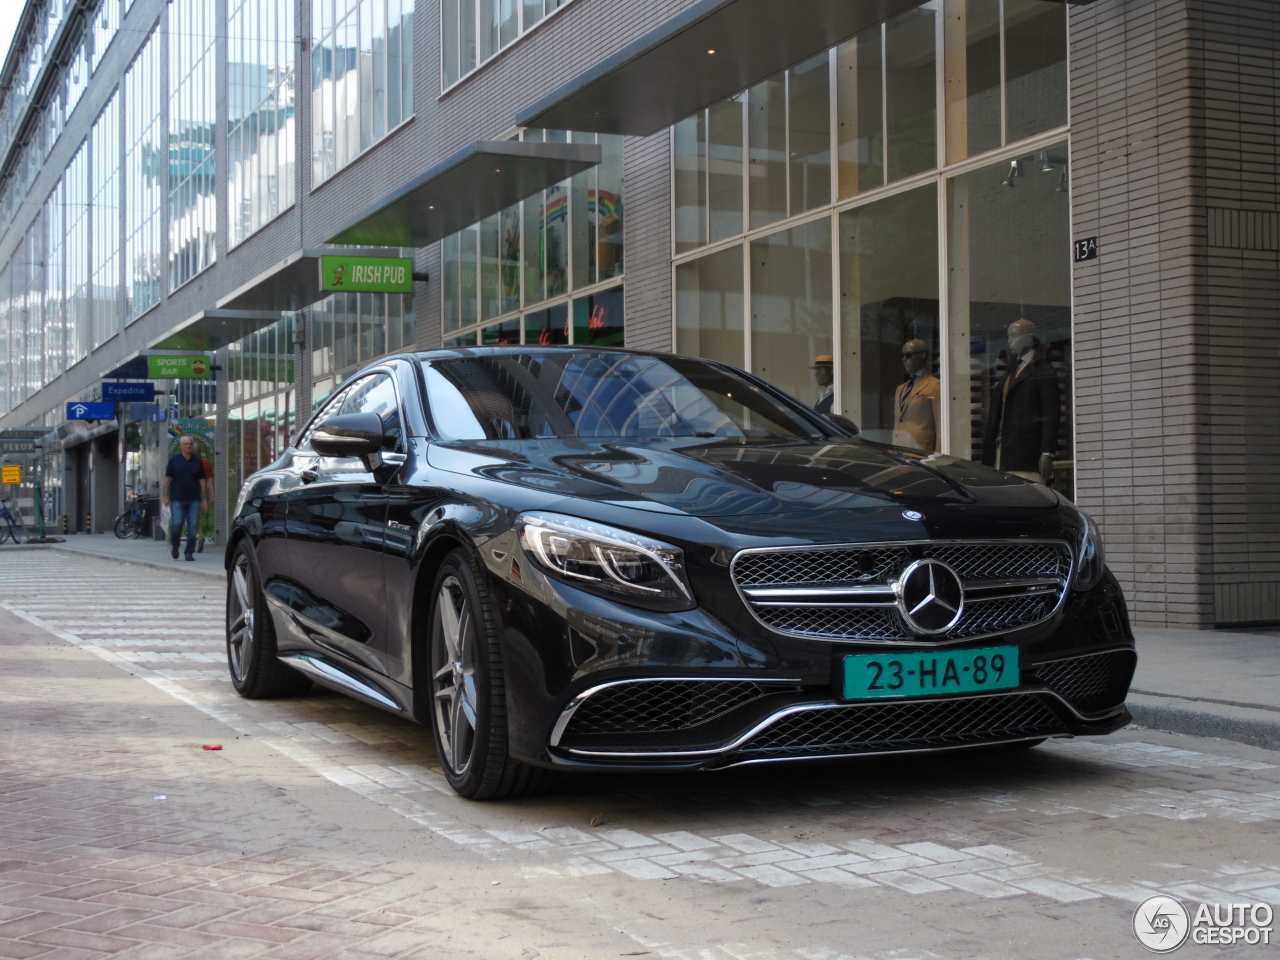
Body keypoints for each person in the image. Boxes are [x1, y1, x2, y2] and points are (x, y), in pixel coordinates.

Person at [982, 318, 1061, 485]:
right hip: (1001, 454)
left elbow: (1050, 414)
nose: (1009, 341)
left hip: (1025, 455)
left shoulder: (1043, 371)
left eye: (1014, 336)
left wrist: (1047, 452)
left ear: (1029, 337)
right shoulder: (1010, 371)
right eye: (1008, 337)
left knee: (1025, 498)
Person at [163, 435, 208, 561]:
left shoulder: (198, 462)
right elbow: (168, 479)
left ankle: (189, 552)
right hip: (177, 498)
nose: (188, 446)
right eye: (186, 444)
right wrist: (165, 496)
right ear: (181, 446)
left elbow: (202, 481)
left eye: (190, 444)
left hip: (194, 499)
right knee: (177, 524)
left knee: (193, 526)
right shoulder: (174, 461)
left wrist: (204, 498)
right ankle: (175, 545)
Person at [892, 340, 942, 452]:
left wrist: (939, 456)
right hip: (898, 451)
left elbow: (941, 425)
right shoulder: (900, 389)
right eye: (903, 356)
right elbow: (898, 422)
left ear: (923, 356)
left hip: (920, 451)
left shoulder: (935, 386)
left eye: (909, 355)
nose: (904, 359)